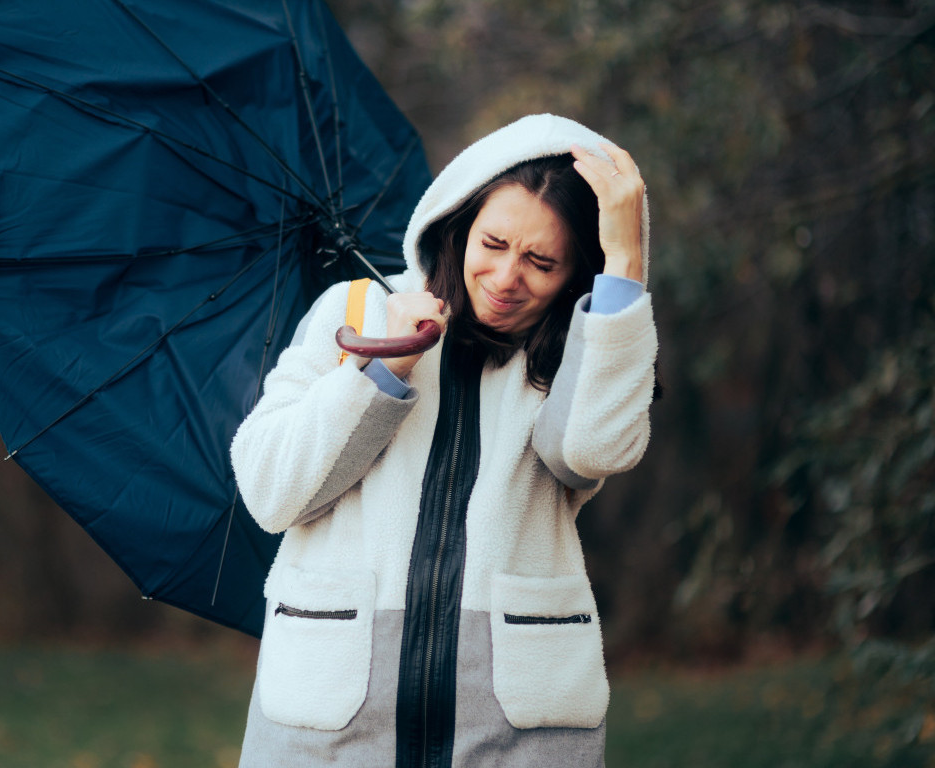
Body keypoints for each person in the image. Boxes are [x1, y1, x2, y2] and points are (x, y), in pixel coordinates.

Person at [230, 113, 657, 768]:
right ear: (459, 225)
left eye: (542, 261)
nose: (508, 276)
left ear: (576, 273)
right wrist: (379, 372)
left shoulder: (581, 350)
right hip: (332, 725)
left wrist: (625, 265)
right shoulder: (356, 313)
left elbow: (594, 450)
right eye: (494, 243)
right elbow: (269, 490)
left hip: (514, 729)